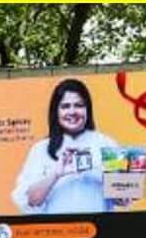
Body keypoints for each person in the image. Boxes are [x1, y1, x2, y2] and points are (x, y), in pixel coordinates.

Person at [11, 78, 123, 214]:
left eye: (79, 105)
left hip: (98, 229)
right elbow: (30, 200)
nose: (72, 112)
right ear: (56, 111)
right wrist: (56, 173)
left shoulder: (107, 144)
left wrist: (96, 172)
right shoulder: (41, 149)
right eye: (65, 106)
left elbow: (122, 199)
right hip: (57, 230)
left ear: (88, 109)